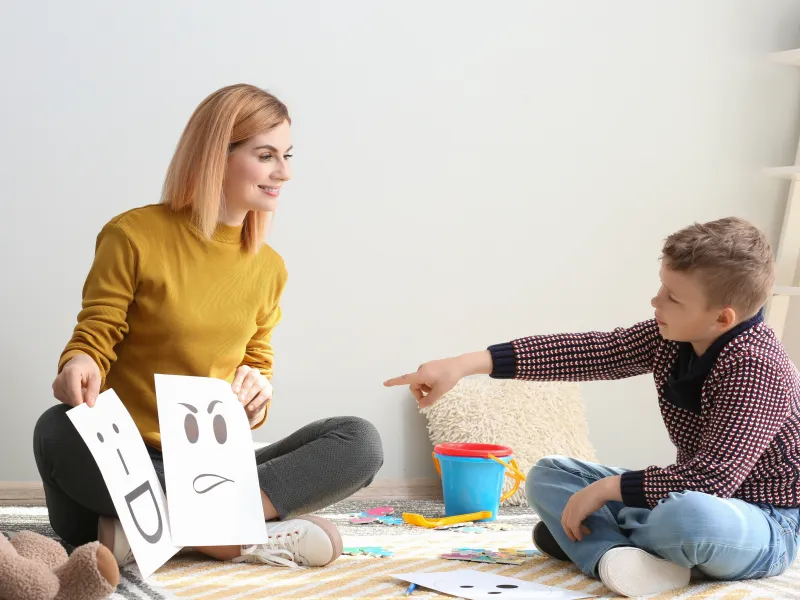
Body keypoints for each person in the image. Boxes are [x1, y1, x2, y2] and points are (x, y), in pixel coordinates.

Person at [34, 84, 384, 569]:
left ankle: (178, 535)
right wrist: (80, 361)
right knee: (56, 429)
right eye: (266, 155)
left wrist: (257, 389)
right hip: (123, 464)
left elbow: (254, 363)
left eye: (286, 155)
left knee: (358, 439)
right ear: (217, 156)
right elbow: (97, 331)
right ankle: (230, 534)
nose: (284, 172)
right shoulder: (133, 235)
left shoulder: (269, 267)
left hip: (208, 469)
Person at [385, 217, 800, 597]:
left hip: (765, 521)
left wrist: (607, 490)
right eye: (661, 288)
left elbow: (712, 480)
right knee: (550, 474)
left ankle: (597, 540)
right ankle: (614, 555)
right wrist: (464, 364)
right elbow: (592, 351)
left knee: (690, 518)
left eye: (672, 297)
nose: (655, 302)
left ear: (722, 319)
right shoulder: (672, 338)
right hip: (692, 493)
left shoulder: (756, 366)